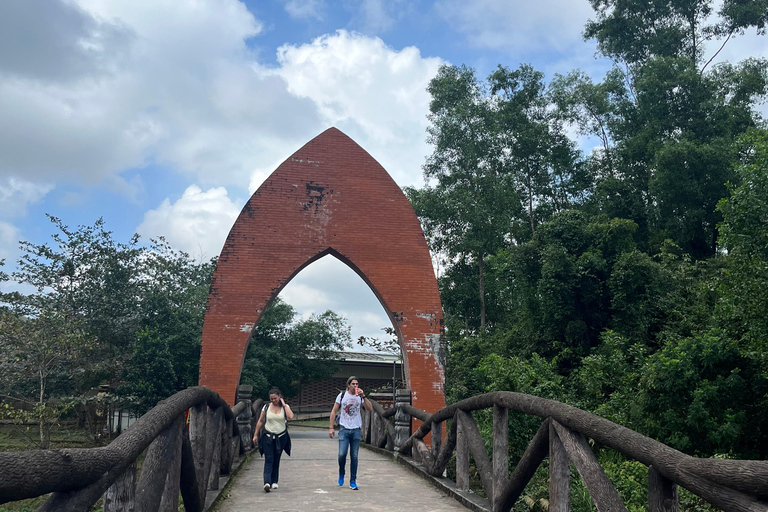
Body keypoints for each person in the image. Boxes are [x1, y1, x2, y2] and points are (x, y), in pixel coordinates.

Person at [329, 376, 372, 490]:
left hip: (356, 429)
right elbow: (334, 411)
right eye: (353, 384)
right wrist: (331, 427)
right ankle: (341, 472)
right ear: (348, 385)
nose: (355, 386)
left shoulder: (360, 397)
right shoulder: (342, 395)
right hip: (344, 428)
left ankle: (353, 480)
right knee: (342, 454)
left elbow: (370, 408)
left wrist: (364, 396)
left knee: (354, 456)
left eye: (356, 384)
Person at [253, 387, 294, 492]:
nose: (273, 401)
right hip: (268, 436)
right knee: (269, 459)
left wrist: (284, 404)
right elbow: (261, 421)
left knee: (277, 459)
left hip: (281, 437)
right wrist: (255, 434)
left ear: (279, 397)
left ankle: (274, 481)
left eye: (275, 398)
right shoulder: (266, 407)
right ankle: (266, 482)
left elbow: (290, 416)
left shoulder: (285, 407)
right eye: (271, 399)